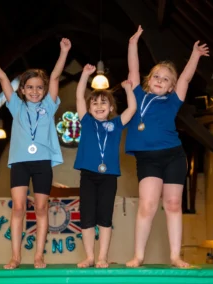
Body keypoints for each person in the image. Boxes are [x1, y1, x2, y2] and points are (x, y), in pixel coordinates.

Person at [0, 38, 71, 269]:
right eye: (30, 87)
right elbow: (2, 78)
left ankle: (39, 255)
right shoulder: (15, 106)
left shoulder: (49, 105)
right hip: (20, 162)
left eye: (39, 87)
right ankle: (15, 256)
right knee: (18, 208)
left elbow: (56, 77)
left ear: (44, 90)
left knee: (40, 208)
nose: (35, 91)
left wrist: (64, 52)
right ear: (23, 90)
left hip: (42, 163)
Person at [124, 25, 209, 268]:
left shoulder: (173, 100)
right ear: (148, 80)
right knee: (148, 204)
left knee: (173, 204)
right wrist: (133, 43)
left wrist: (194, 55)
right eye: (156, 76)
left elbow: (186, 77)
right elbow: (133, 67)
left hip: (173, 155)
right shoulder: (138, 94)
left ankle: (175, 256)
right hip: (148, 159)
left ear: (171, 86)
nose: (160, 80)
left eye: (166, 79)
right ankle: (138, 255)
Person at [74, 64, 136, 268]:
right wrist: (84, 76)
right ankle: (90, 256)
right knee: (87, 216)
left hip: (109, 176)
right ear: (89, 108)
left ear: (111, 108)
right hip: (88, 175)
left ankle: (102, 257)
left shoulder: (117, 124)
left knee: (105, 216)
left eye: (103, 103)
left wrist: (128, 89)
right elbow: (78, 97)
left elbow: (133, 109)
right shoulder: (86, 122)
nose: (99, 106)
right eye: (94, 103)